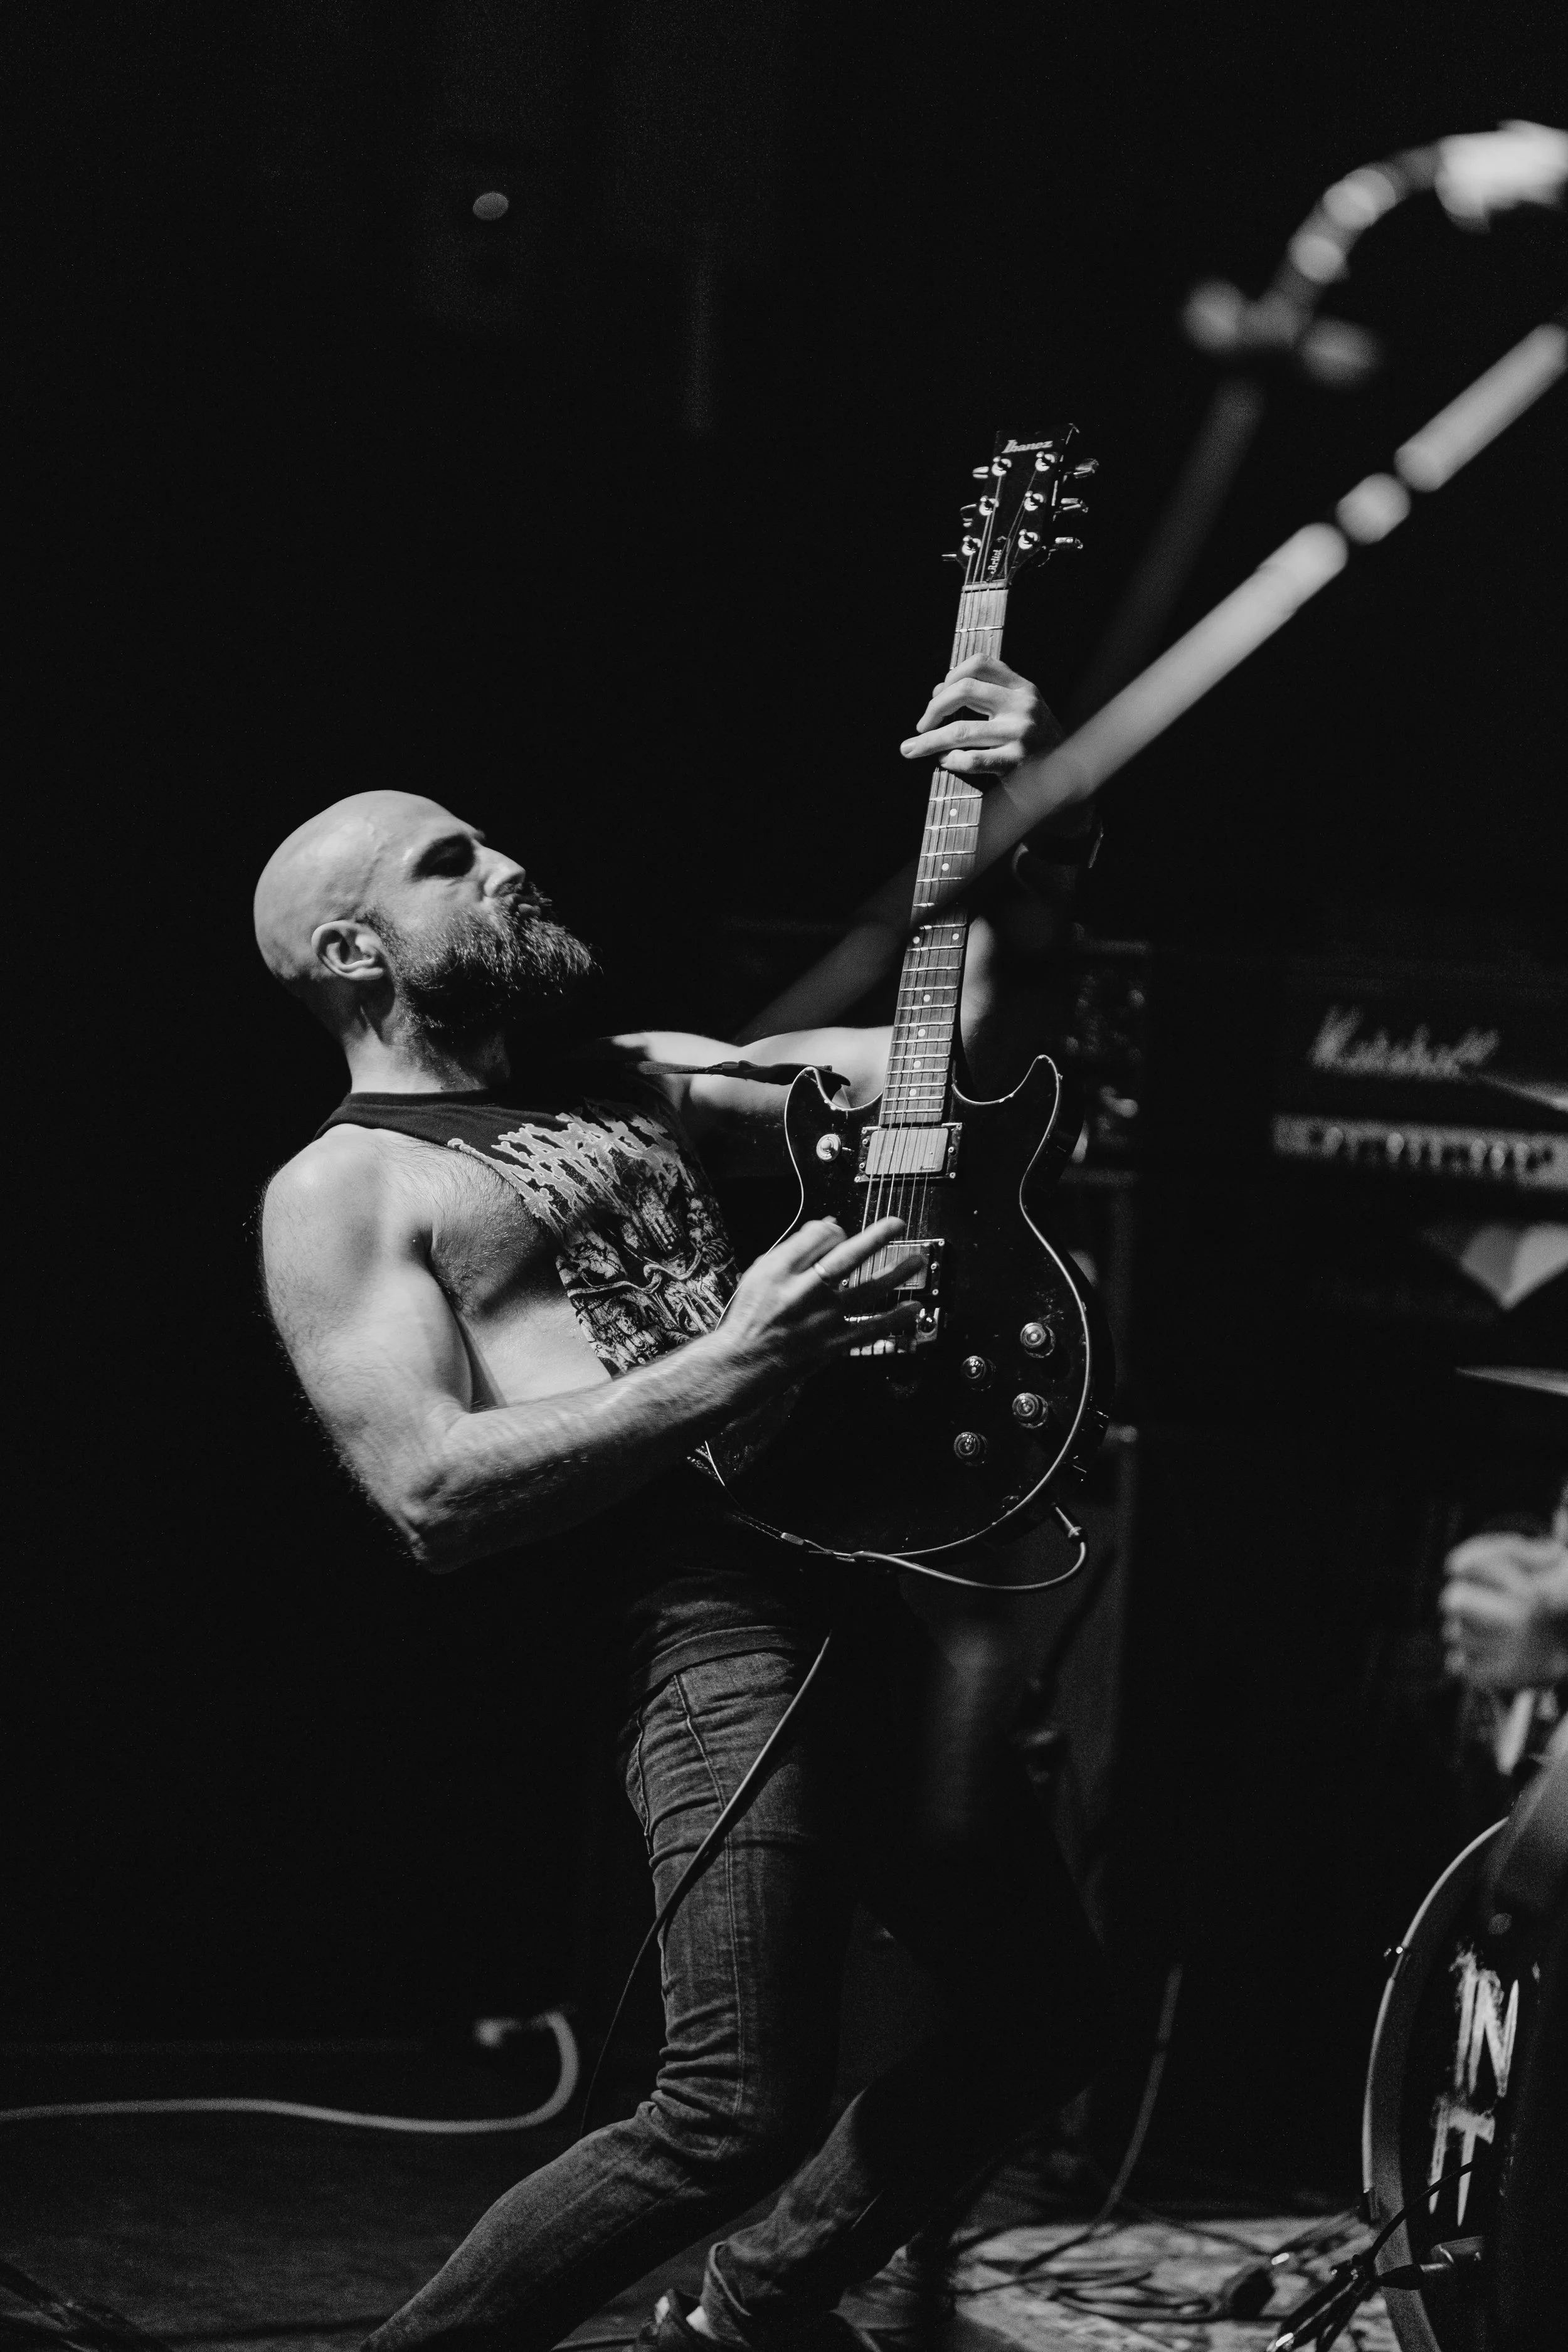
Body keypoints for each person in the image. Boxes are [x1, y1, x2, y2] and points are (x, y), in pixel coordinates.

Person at [255, 656, 1110, 2352]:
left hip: (846, 1575)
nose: (502, 864)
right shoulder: (347, 1181)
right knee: (733, 2098)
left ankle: (751, 2307)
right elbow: (427, 1487)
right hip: (688, 1616)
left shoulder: (633, 1075)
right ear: (353, 952)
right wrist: (739, 1357)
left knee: (1039, 2013)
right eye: (447, 860)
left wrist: (1032, 832)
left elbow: (959, 1051)